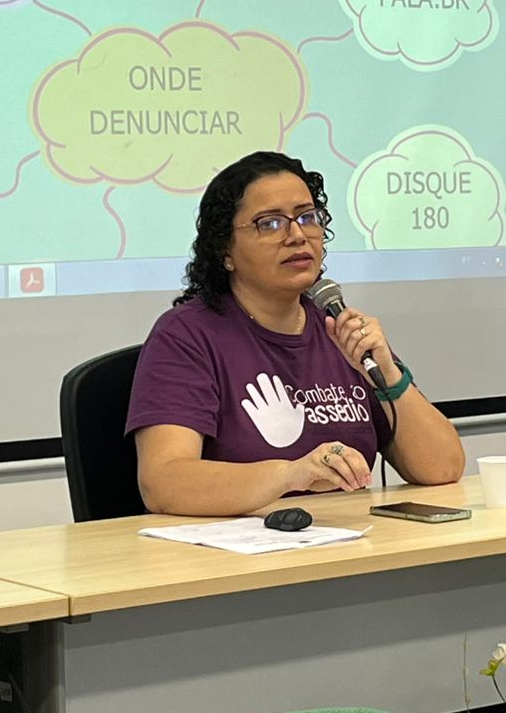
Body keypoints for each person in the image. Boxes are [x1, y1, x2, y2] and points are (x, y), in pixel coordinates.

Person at [127, 150, 464, 514]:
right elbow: (164, 482)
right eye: (270, 223)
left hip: (344, 536)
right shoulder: (186, 336)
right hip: (239, 545)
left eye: (308, 217)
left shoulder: (339, 328)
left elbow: (443, 468)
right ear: (225, 250)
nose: (298, 235)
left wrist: (389, 376)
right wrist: (291, 475)